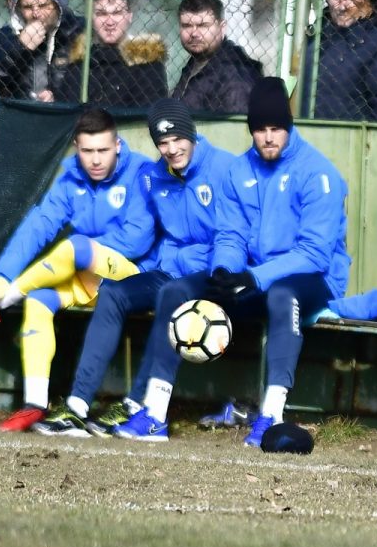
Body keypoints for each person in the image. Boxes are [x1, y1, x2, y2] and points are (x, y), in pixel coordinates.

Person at [111, 78, 351, 446]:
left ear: (288, 126)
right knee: (177, 290)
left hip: (312, 279)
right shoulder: (239, 171)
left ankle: (271, 416)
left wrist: (254, 277)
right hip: (253, 274)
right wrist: (224, 269)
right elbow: (231, 234)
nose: (267, 138)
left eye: (276, 129)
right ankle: (155, 413)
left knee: (282, 295)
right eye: (259, 129)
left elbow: (314, 254)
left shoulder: (318, 173)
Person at [30, 100, 236, 435]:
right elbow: (151, 235)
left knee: (173, 293)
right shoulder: (154, 177)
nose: (171, 149)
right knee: (113, 293)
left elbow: (236, 234)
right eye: (163, 142)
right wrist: (139, 270)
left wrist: (228, 269)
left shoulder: (226, 169)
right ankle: (77, 406)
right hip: (170, 271)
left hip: (216, 274)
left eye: (177, 139)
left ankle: (139, 405)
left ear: (191, 134)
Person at [0, 107, 155, 431]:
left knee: (77, 247)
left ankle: (2, 299)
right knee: (40, 298)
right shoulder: (70, 178)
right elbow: (38, 226)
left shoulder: (141, 172)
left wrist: (84, 251)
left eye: (103, 150)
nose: (95, 160)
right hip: (86, 279)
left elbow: (137, 240)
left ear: (117, 145)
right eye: (87, 151)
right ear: (76, 147)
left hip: (131, 278)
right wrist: (1, 274)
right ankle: (34, 405)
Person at [0, 0, 85, 114]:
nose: (36, 13)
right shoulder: (8, 35)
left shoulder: (78, 31)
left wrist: (58, 98)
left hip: (70, 116)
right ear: (18, 8)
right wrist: (19, 47)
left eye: (43, 5)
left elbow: (95, 80)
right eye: (28, 7)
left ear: (57, 5)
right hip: (22, 115)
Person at [58, 0, 168, 106]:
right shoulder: (79, 63)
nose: (110, 22)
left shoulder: (147, 63)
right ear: (91, 18)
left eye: (117, 13)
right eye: (101, 14)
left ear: (129, 16)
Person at [170, 0, 263, 113]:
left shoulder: (235, 75)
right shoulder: (196, 62)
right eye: (187, 26)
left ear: (222, 28)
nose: (194, 33)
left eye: (203, 26)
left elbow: (236, 122)